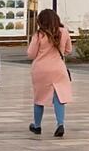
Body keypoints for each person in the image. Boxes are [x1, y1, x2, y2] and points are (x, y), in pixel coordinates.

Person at [27, 9, 74, 137]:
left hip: (41, 69)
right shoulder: (64, 32)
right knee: (59, 96)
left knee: (39, 97)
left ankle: (37, 125)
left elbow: (31, 54)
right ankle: (60, 124)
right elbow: (69, 50)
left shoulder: (39, 35)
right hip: (58, 68)